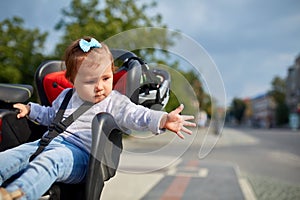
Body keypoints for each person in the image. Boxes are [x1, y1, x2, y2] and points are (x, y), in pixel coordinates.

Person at [0, 36, 196, 200]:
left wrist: (162, 119)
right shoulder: (67, 97)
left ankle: (16, 195)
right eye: (90, 81)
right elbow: (50, 115)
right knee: (14, 155)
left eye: (105, 78)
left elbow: (137, 114)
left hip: (82, 156)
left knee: (51, 161)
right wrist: (30, 109)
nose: (100, 87)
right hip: (48, 142)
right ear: (72, 81)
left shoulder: (114, 102)